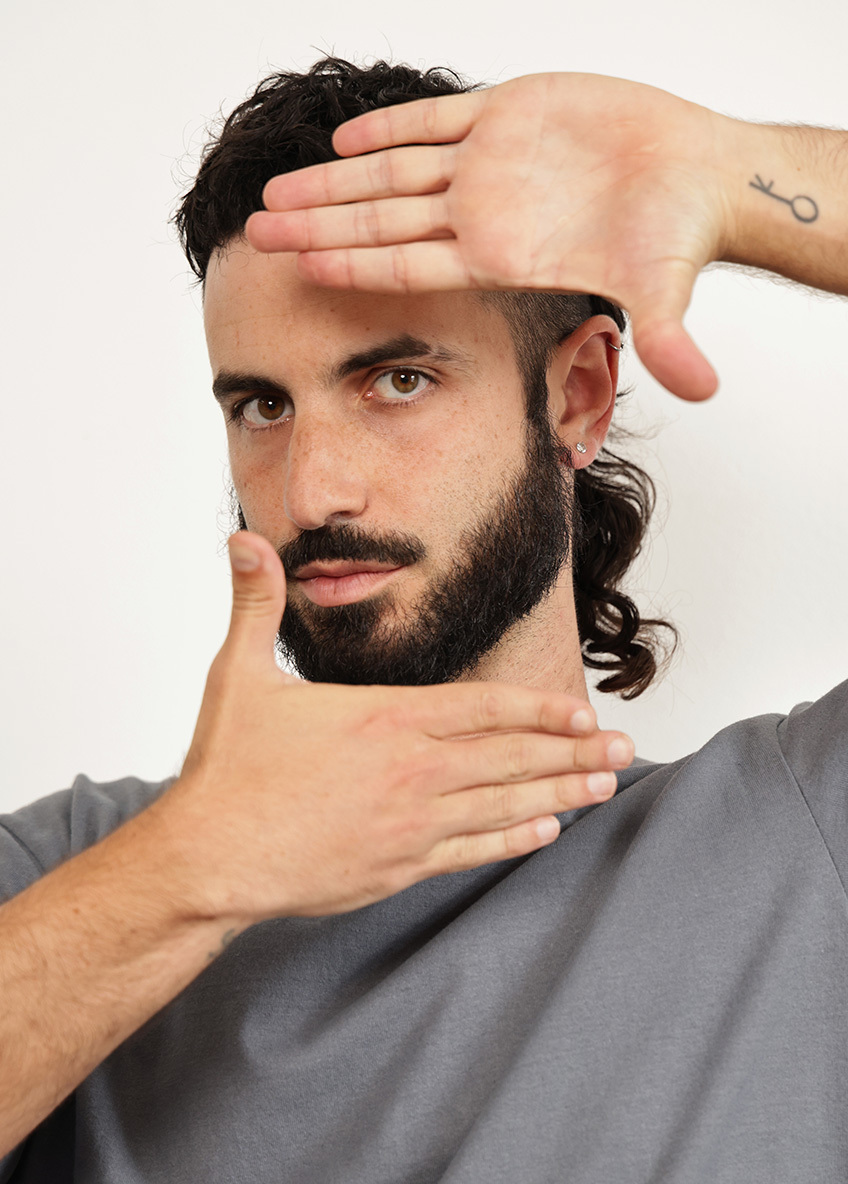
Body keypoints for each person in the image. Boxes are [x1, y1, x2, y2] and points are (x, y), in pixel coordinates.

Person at [1, 57, 846, 1183]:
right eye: (261, 404)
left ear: (579, 396)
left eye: (397, 379)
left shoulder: (797, 840)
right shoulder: (75, 867)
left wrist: (740, 180)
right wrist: (188, 872)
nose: (311, 492)